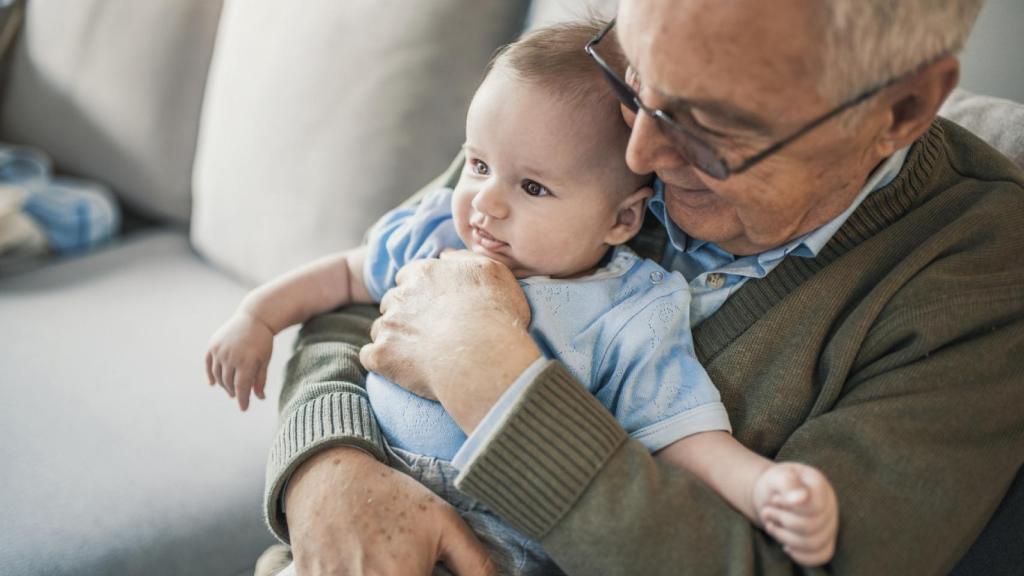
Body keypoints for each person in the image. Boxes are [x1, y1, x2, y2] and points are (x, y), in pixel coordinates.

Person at [261, 0, 1024, 574]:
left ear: (900, 110)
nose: (640, 149)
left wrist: (491, 380)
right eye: (635, 83)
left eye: (706, 126)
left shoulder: (979, 276)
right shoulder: (595, 93)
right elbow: (369, 282)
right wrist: (330, 466)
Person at [210, 22, 841, 573]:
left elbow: (681, 430)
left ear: (622, 220)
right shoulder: (444, 228)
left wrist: (761, 487)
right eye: (478, 164)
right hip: (363, 506)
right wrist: (259, 316)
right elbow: (348, 279)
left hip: (496, 548)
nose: (486, 200)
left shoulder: (631, 311)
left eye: (534, 188)